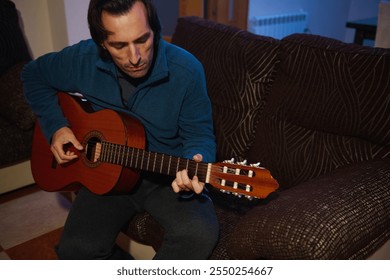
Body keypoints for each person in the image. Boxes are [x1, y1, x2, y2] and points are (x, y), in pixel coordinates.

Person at [22, 0, 219, 260]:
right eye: (119, 45)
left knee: (200, 234)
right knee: (75, 251)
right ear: (102, 42)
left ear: (155, 30)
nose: (135, 57)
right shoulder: (83, 59)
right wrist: (56, 127)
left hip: (165, 177)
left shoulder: (187, 69)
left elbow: (199, 134)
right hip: (106, 173)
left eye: (142, 40)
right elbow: (33, 74)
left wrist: (197, 160)